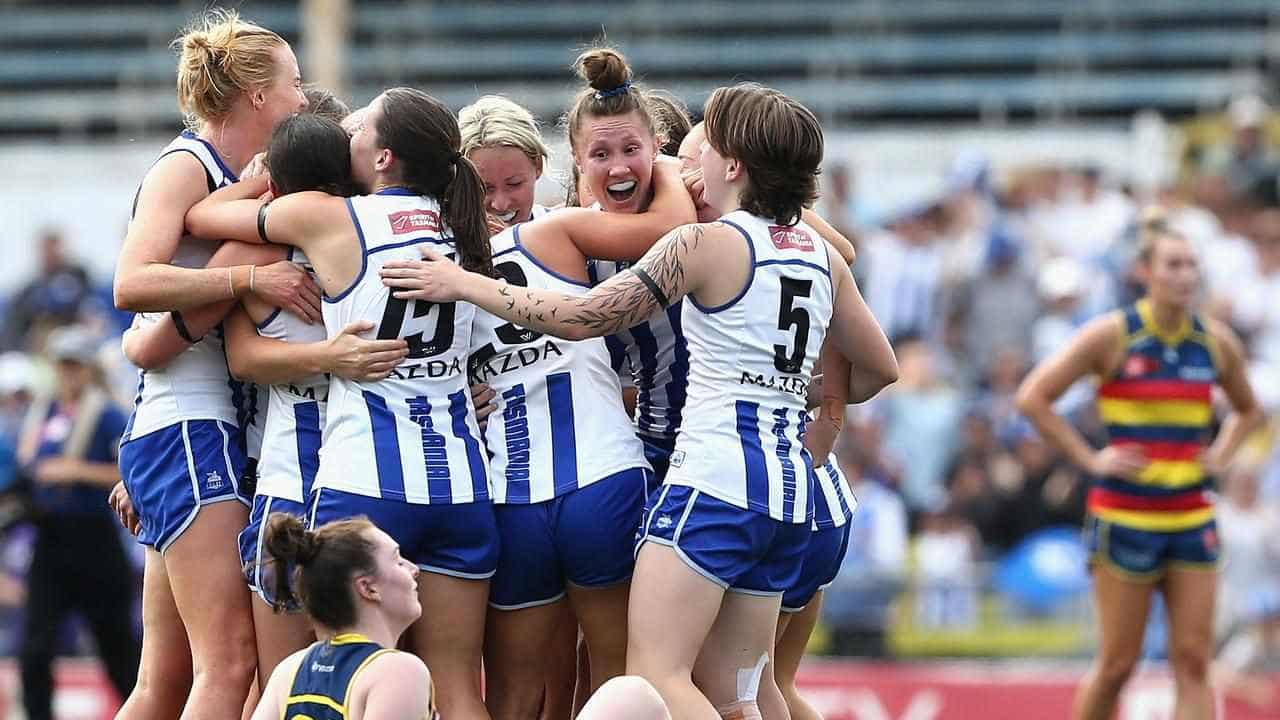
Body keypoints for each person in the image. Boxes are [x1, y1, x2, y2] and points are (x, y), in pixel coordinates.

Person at [380, 81, 898, 720]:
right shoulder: (821, 253)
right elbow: (882, 368)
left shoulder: (700, 242)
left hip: (715, 479)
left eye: (702, 146)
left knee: (654, 677)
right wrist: (810, 397)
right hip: (792, 485)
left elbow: (584, 316)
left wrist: (464, 283)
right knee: (747, 693)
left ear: (733, 165)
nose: (687, 160)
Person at [184, 86, 495, 720]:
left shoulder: (329, 219)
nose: (348, 137)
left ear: (383, 158)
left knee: (324, 687)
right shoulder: (459, 223)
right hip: (462, 485)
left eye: (361, 131)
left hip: (366, 481)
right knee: (459, 690)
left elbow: (202, 217)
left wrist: (265, 179)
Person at [121, 112, 410, 685]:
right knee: (274, 672)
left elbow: (168, 348)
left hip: (283, 467)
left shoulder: (257, 248)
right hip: (351, 466)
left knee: (251, 677)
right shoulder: (372, 236)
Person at [463, 51, 695, 716]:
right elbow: (674, 233)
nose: (502, 203)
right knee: (620, 684)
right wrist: (670, 164)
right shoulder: (559, 231)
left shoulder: (443, 265)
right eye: (486, 191)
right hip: (602, 477)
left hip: (514, 494)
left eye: (512, 185)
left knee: (519, 693)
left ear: (540, 168)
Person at [110, 10, 312, 719]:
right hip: (192, 426)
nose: (304, 96)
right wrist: (245, 281)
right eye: (293, 82)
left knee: (164, 680)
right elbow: (132, 285)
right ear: (256, 94)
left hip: (186, 427)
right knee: (228, 664)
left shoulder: (239, 173)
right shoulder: (186, 164)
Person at [1016, 210, 1266, 720]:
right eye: (1173, 265)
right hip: (1125, 518)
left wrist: (1219, 455)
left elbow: (1250, 411)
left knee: (1194, 660)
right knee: (1116, 666)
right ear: (1144, 272)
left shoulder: (1214, 342)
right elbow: (1033, 398)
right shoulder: (1113, 335)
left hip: (1192, 516)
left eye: (1192, 265)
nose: (1185, 275)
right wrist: (1091, 458)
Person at [17, 326, 140, 720]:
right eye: (62, 365)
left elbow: (131, 472)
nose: (67, 374)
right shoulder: (45, 412)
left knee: (116, 646)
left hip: (93, 538)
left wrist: (76, 471)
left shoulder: (106, 412)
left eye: (74, 365)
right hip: (50, 536)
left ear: (88, 369)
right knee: (35, 646)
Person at [249, 513, 435, 720]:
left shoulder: (289, 670)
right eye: (398, 561)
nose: (414, 569)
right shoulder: (399, 673)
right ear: (368, 587)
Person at [459, 95, 553, 228]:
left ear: (538, 165)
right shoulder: (440, 241)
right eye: (484, 189)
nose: (500, 205)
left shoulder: (571, 235)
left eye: (514, 184)